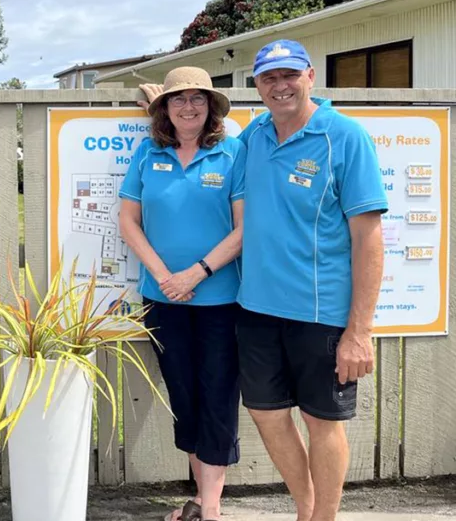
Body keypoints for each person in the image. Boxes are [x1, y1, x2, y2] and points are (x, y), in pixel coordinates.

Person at [137, 40, 388, 521]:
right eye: (269, 78)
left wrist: (359, 331)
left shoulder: (345, 137)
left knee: (321, 422)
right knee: (269, 416)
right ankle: (306, 509)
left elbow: (369, 239)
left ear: (310, 76)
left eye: (289, 75)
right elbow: (194, 126)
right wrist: (161, 97)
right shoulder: (254, 138)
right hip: (255, 309)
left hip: (321, 312)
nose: (280, 86)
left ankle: (323, 518)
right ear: (258, 86)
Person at [119, 66, 246, 521]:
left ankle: (209, 506)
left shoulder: (233, 152)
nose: (188, 107)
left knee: (217, 394)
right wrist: (165, 276)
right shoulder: (147, 152)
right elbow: (128, 221)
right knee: (184, 393)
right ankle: (201, 498)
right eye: (178, 100)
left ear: (211, 107)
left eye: (197, 99)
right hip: (163, 299)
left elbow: (244, 228)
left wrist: (196, 273)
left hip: (221, 300)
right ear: (164, 109)